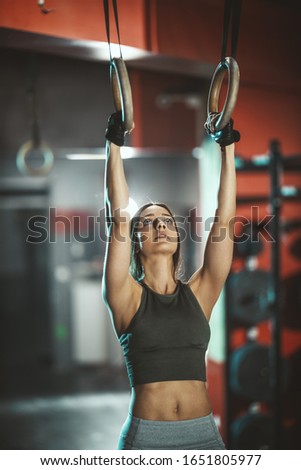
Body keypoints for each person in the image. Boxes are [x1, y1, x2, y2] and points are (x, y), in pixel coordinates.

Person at [102, 111, 240, 450]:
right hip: (147, 438)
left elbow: (225, 217)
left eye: (165, 221)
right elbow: (118, 219)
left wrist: (227, 148)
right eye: (147, 224)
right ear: (135, 241)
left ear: (177, 236)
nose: (160, 226)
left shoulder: (200, 292)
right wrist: (114, 144)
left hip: (204, 436)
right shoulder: (125, 295)